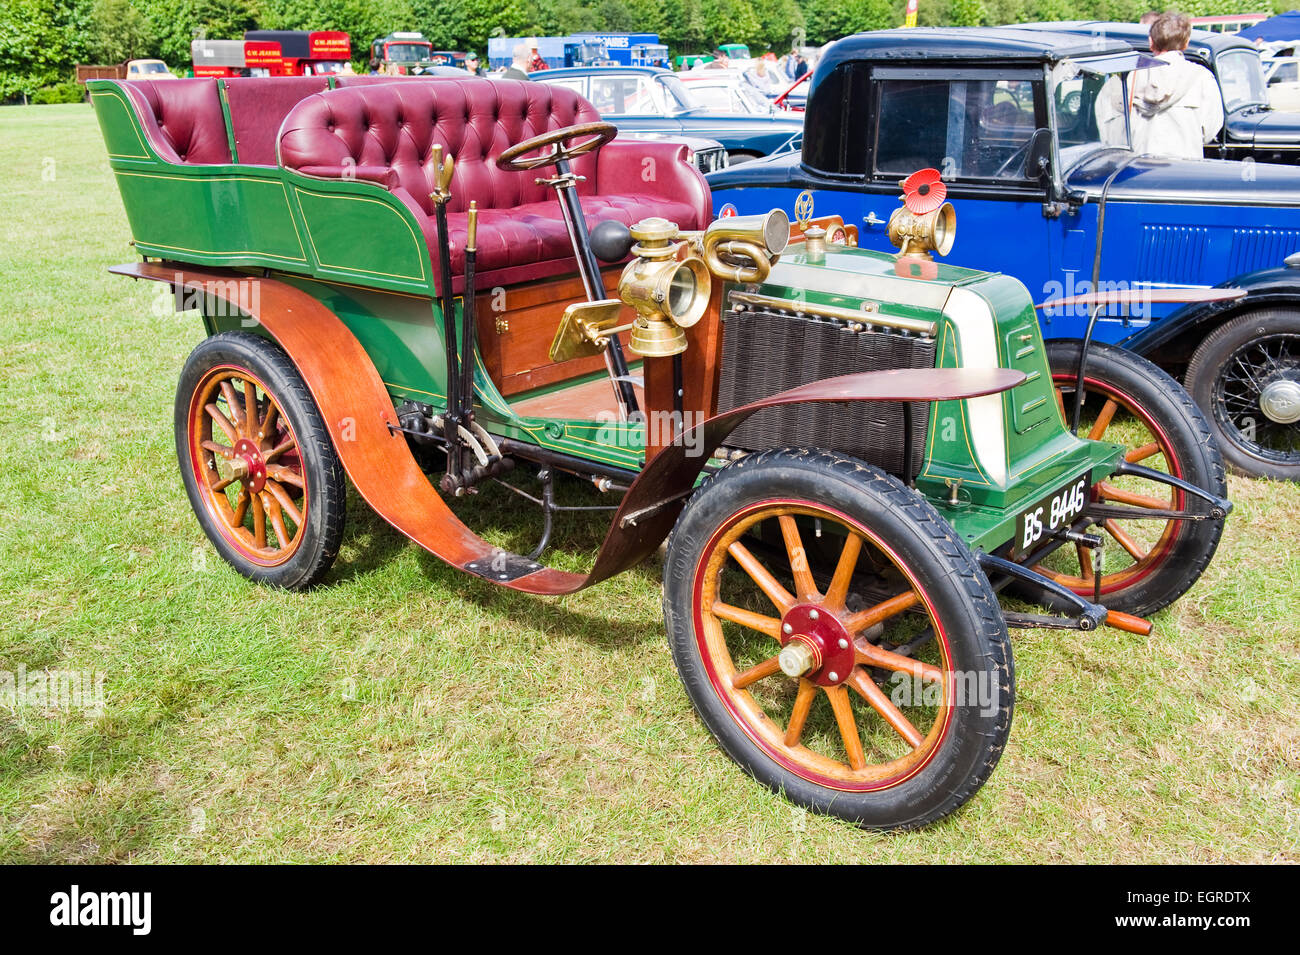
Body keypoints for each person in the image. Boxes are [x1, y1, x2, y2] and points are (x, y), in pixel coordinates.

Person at [1129, 12, 1224, 159]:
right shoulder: (1202, 78)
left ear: (1151, 42)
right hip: (1184, 169)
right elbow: (1210, 130)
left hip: (1138, 168)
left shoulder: (1132, 77)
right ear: (1186, 43)